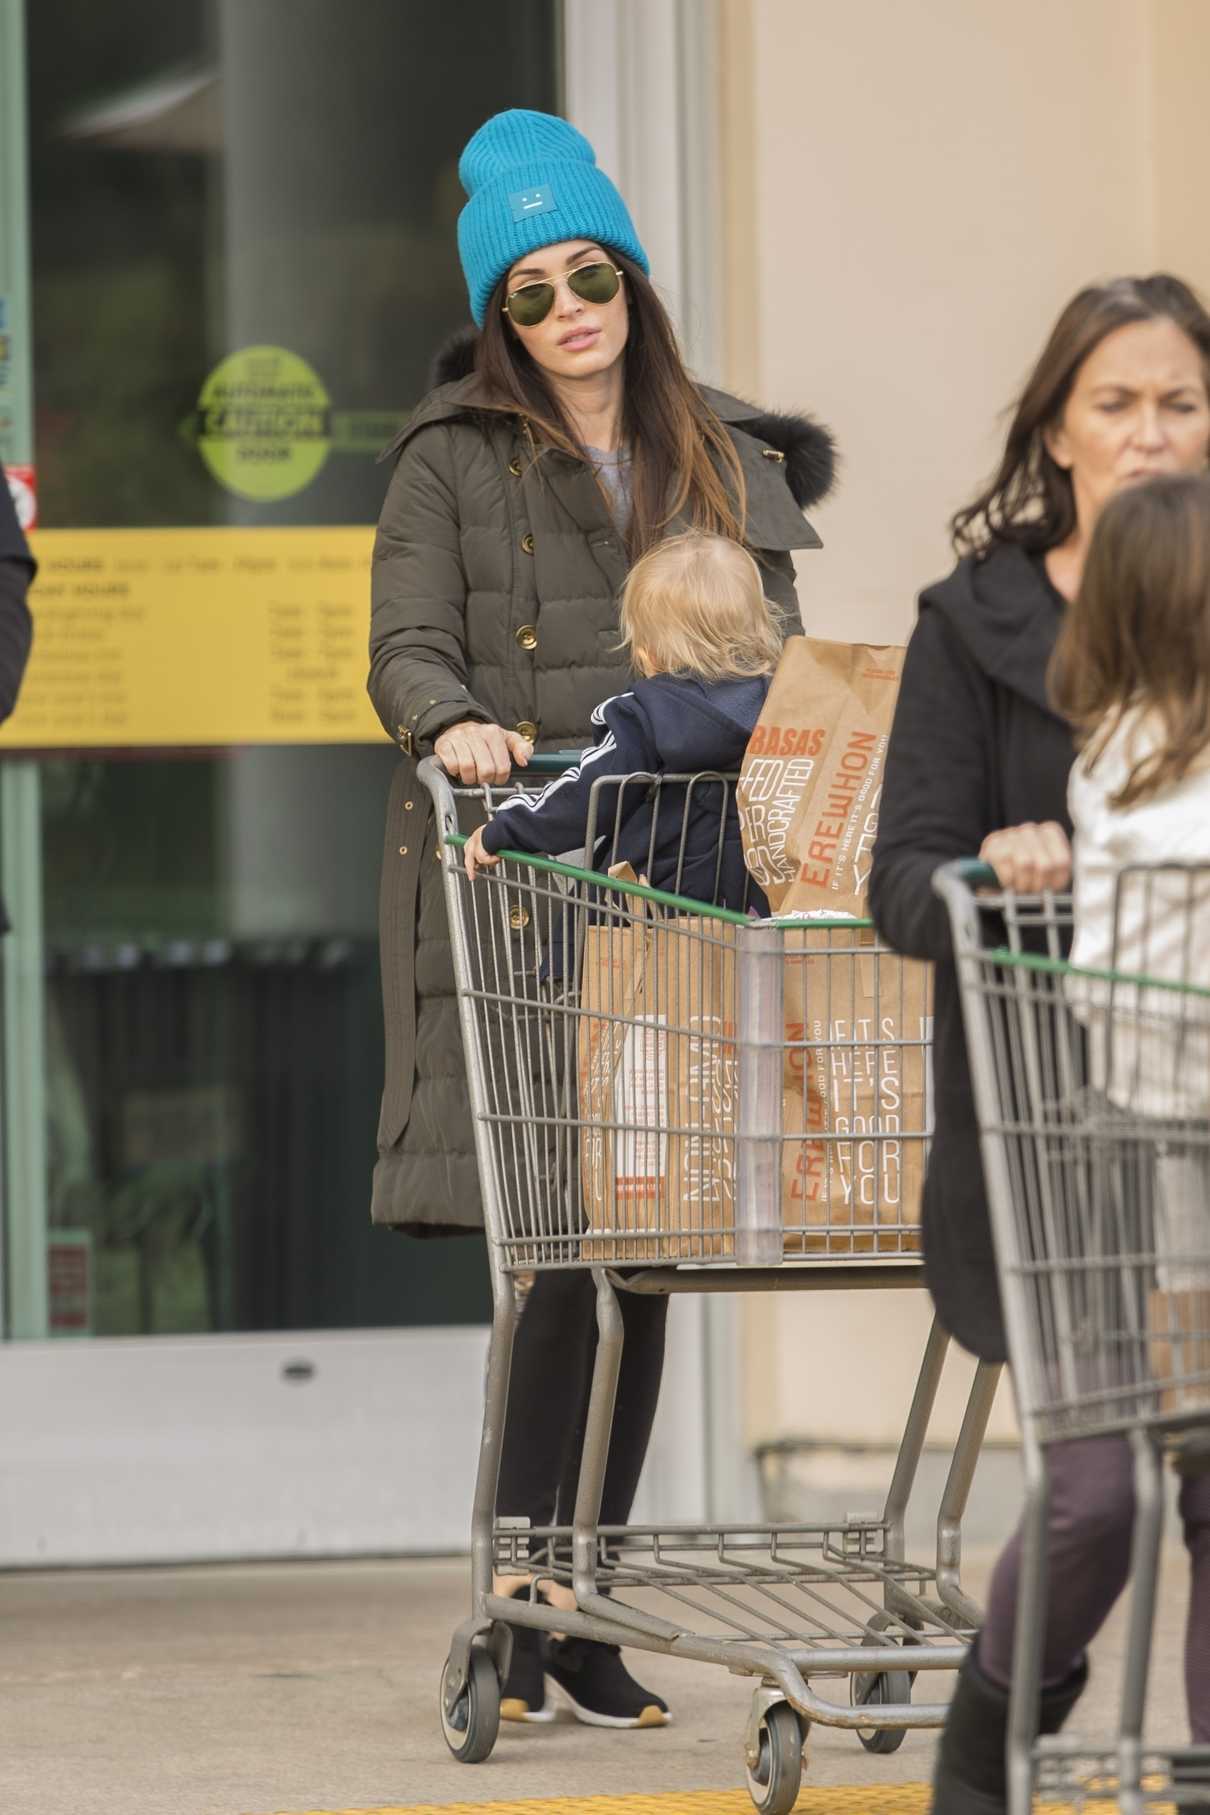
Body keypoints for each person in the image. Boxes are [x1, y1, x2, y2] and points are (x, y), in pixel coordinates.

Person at [368, 108, 835, 1727]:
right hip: (525, 885)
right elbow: (405, 647)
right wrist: (453, 729)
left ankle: (591, 1611)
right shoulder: (448, 458)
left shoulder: (724, 453)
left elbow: (787, 665)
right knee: (558, 1265)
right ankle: (518, 1607)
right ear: (497, 315)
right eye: (531, 293)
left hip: (679, 893)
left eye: (593, 276)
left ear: (633, 278)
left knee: (639, 1256)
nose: (569, 312)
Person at [869, 274, 1210, 1814]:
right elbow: (898, 878)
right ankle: (985, 1740)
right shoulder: (973, 622)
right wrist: (997, 866)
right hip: (1052, 1135)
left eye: (1179, 403)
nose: (1150, 434)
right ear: (1057, 431)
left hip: (1200, 1124)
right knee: (1094, 1497)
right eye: (1117, 404)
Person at [462, 529, 779, 907]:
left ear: (648, 656)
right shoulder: (783, 708)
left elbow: (588, 794)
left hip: (649, 908)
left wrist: (506, 827)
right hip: (758, 906)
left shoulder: (644, 715)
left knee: (582, 941)